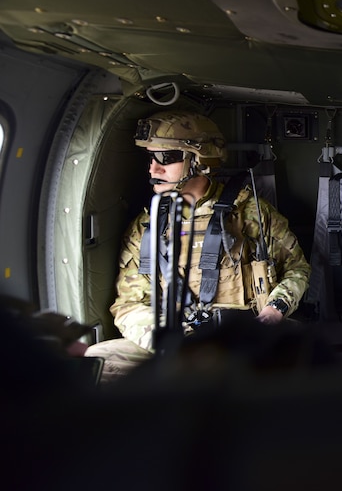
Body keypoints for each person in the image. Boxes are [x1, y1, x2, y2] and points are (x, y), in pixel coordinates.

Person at [85, 110, 311, 382]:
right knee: (98, 362)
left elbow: (297, 269)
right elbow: (128, 305)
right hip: (176, 340)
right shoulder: (148, 225)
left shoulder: (250, 212)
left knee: (305, 360)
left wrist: (274, 310)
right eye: (151, 158)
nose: (153, 169)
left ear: (199, 160)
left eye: (167, 158)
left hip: (243, 335)